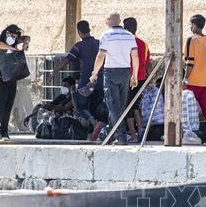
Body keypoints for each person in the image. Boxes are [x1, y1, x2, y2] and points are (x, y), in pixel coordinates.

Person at [89, 12, 139, 145]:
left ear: (109, 21)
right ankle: (108, 133)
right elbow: (135, 56)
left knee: (113, 107)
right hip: (125, 72)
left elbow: (101, 56)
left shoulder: (106, 35)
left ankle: (121, 137)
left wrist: (94, 73)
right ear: (119, 21)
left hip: (111, 72)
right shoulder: (130, 36)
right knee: (119, 107)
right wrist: (134, 76)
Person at [51, 20, 104, 140]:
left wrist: (53, 72)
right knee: (95, 107)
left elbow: (66, 61)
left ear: (79, 32)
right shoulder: (100, 44)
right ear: (89, 29)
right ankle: (93, 134)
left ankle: (94, 124)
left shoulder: (78, 46)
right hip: (100, 81)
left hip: (86, 82)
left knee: (80, 106)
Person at [183, 14, 206, 145]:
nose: (190, 27)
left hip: (194, 80)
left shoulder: (192, 40)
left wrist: (185, 79)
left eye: (191, 25)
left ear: (195, 26)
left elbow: (189, 62)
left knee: (187, 107)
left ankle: (187, 134)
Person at [0, 24, 29, 140]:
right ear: (6, 33)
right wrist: (10, 48)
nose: (12, 37)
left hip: (11, 77)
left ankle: (4, 131)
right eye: (11, 34)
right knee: (0, 104)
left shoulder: (15, 41)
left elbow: (27, 37)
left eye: (15, 36)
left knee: (8, 105)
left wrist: (26, 42)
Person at [123, 17, 151, 143]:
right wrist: (149, 80)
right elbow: (148, 63)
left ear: (126, 28)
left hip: (128, 79)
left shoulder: (125, 43)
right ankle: (140, 129)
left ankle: (133, 136)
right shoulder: (143, 44)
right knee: (135, 106)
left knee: (128, 107)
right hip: (141, 79)